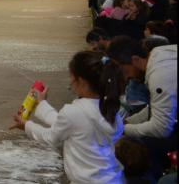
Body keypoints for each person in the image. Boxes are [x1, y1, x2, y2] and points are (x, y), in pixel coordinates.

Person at [13, 51, 125, 183]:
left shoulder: (74, 112)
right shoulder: (109, 109)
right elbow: (69, 124)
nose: (70, 82)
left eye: (71, 77)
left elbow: (51, 137)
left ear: (81, 81)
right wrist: (42, 103)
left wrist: (26, 126)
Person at [106, 39, 177, 179]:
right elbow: (155, 107)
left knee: (135, 149)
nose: (127, 77)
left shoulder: (160, 75)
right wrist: (128, 121)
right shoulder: (158, 54)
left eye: (125, 71)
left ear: (136, 59)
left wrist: (122, 129)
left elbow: (161, 128)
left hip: (165, 128)